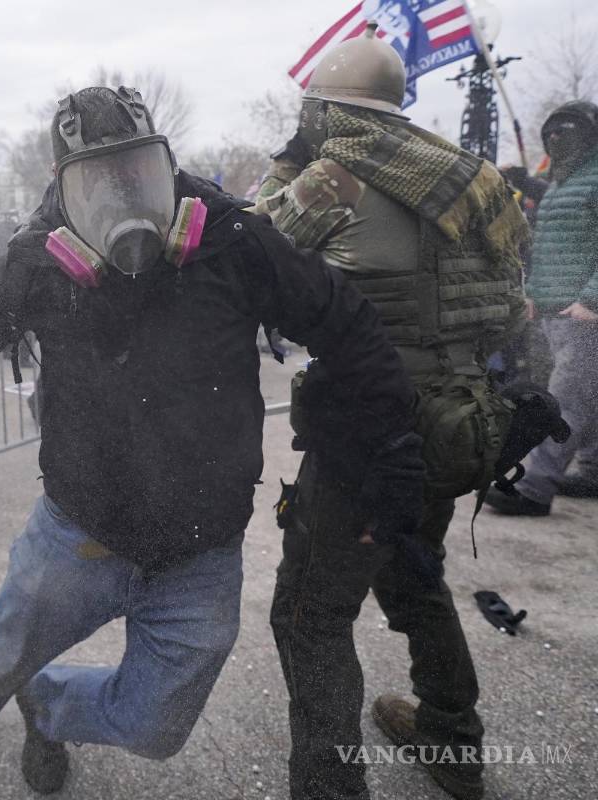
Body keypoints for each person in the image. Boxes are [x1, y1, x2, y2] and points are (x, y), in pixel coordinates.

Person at [0, 85, 423, 800]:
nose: (122, 192)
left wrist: (394, 452)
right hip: (79, 534)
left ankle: (49, 705)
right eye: (97, 178)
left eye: (136, 169)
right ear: (60, 186)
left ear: (163, 163)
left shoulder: (233, 240)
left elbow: (348, 325)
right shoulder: (38, 262)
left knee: (153, 728)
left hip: (201, 551)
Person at [252, 26, 528, 800]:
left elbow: (260, 252)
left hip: (370, 433)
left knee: (309, 615)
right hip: (462, 422)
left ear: (326, 111)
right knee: (413, 576)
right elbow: (512, 310)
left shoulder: (339, 172)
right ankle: (452, 735)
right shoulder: (474, 177)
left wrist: (286, 164)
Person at [484, 100, 598, 512]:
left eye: (568, 128)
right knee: (589, 396)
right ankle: (593, 471)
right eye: (553, 129)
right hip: (554, 309)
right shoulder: (561, 184)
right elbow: (545, 246)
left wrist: (592, 299)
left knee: (564, 399)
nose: (557, 136)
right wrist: (532, 290)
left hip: (584, 313)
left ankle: (534, 488)